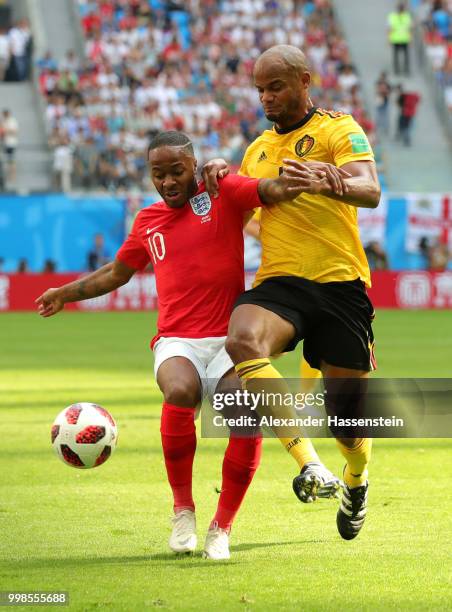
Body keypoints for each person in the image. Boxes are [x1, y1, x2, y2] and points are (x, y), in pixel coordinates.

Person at [36, 130, 339, 560]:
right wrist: (66, 292)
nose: (167, 182)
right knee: (180, 390)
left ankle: (222, 526)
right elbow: (116, 274)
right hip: (177, 338)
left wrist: (299, 179)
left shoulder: (222, 195)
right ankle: (183, 510)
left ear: (193, 167)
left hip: (229, 340)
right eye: (157, 174)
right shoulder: (147, 222)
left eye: (176, 171)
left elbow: (266, 190)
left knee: (242, 408)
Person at [204, 44, 381, 541]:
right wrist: (223, 178)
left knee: (348, 425)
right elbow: (252, 217)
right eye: (259, 89)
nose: (266, 98)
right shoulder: (257, 150)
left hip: (341, 285)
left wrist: (327, 181)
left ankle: (356, 478)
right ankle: (309, 462)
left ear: (305, 80)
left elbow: (370, 189)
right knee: (242, 341)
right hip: (281, 283)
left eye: (275, 86)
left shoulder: (337, 129)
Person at [387, 2, 413, 76]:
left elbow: (410, 28)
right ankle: (397, 70)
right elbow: (389, 28)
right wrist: (389, 39)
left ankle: (406, 69)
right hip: (396, 38)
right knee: (396, 55)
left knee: (406, 55)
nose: (401, 9)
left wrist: (410, 38)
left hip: (405, 38)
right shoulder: (392, 16)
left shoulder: (407, 16)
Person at [1, 109, 18, 186]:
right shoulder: (3, 122)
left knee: (11, 160)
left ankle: (12, 176)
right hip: (4, 143)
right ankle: (7, 175)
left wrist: (5, 131)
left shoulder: (12, 121)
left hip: (11, 143)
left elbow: (15, 131)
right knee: (7, 160)